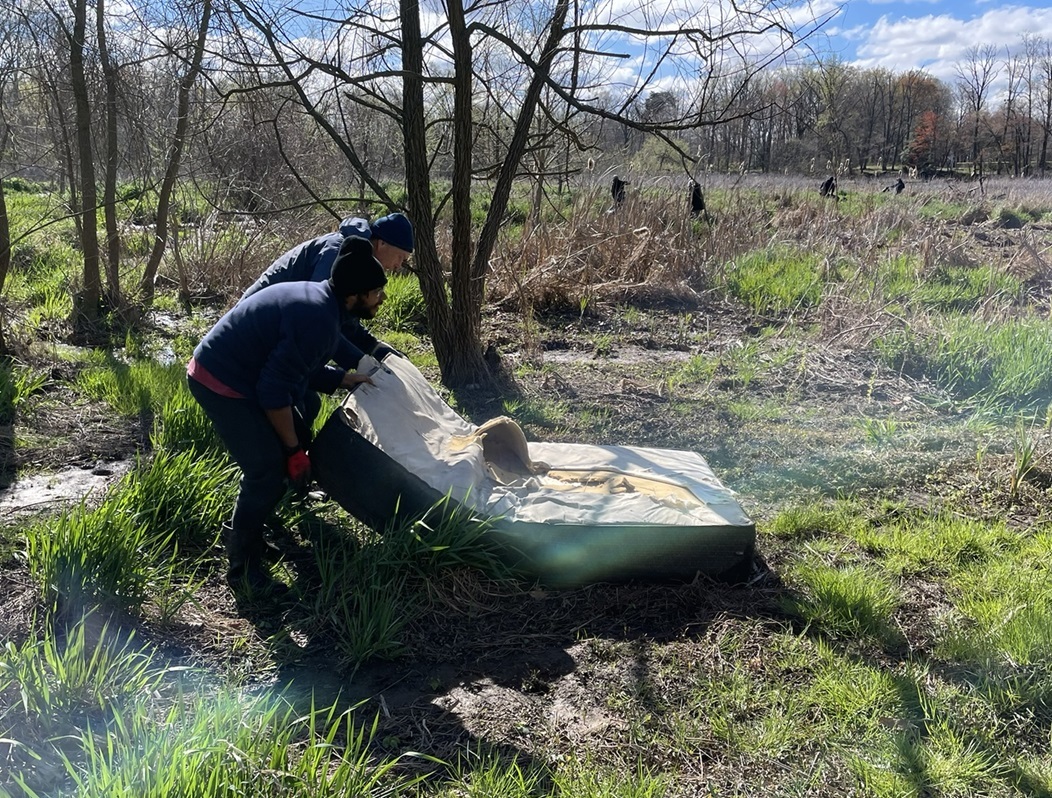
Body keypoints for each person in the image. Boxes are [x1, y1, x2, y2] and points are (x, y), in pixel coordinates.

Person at [187, 236, 388, 595]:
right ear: (355, 295)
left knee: (283, 449)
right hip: (219, 380)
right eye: (375, 292)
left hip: (244, 375)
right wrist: (294, 451)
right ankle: (242, 569)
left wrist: (341, 379)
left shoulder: (325, 304)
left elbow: (296, 366)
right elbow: (274, 392)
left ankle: (251, 534)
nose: (381, 298)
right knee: (266, 468)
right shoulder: (319, 318)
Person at [240, 212, 415, 364]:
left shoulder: (355, 256)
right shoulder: (337, 253)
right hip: (253, 328)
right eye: (400, 257)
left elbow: (342, 318)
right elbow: (319, 320)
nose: (398, 266)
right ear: (382, 244)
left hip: (276, 326)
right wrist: (360, 362)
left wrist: (373, 347)